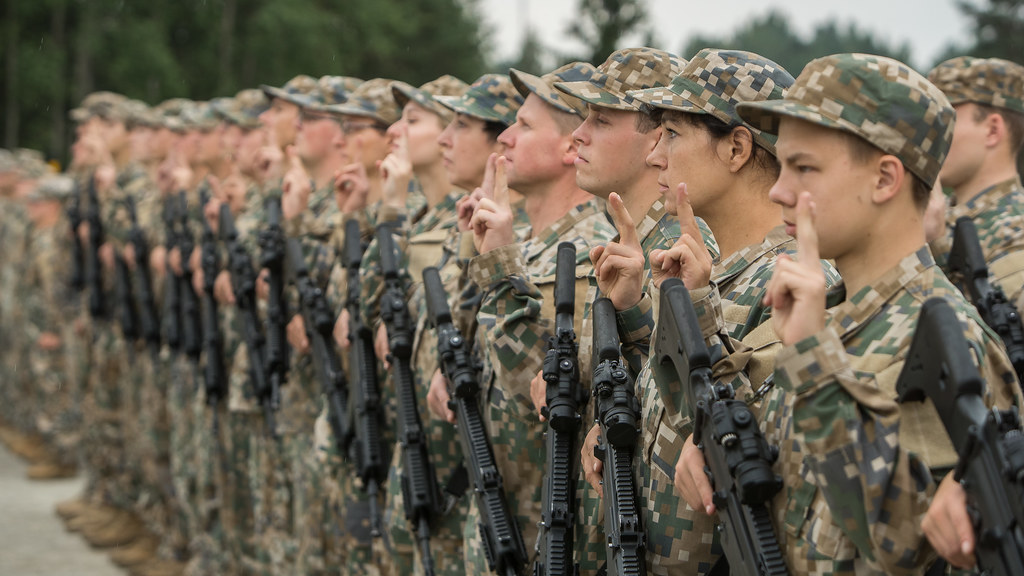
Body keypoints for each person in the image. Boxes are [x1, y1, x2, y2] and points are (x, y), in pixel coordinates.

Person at [672, 53, 1022, 574]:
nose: (779, 190)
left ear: (884, 180)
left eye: (805, 168)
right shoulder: (828, 315)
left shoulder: (947, 343)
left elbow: (902, 540)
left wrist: (814, 360)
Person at [927, 57, 1024, 310]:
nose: (930, 135)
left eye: (945, 121)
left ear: (992, 130)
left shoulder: (1016, 235)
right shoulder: (934, 219)